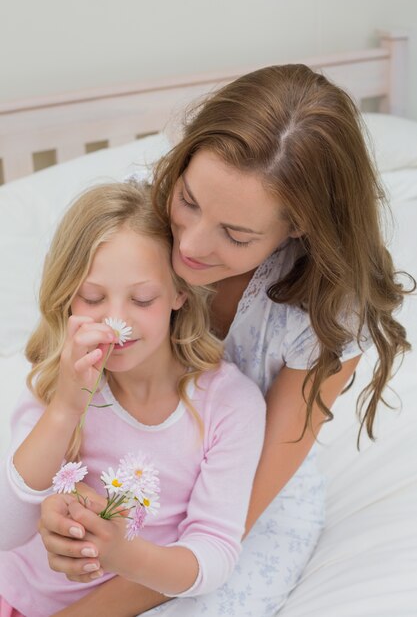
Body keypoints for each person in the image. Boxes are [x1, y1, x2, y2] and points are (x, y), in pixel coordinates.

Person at [38, 64, 413, 617]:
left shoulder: (330, 314)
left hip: (238, 500)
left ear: (299, 227)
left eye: (236, 235)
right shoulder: (143, 214)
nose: (187, 244)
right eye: (188, 201)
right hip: (126, 465)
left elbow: (227, 530)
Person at [0, 182, 268, 617]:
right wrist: (66, 407)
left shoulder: (229, 404)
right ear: (68, 296)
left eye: (142, 299)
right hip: (18, 595)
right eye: (92, 298)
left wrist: (122, 553)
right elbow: (5, 532)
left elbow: (215, 553)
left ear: (179, 292)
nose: (116, 322)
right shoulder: (56, 383)